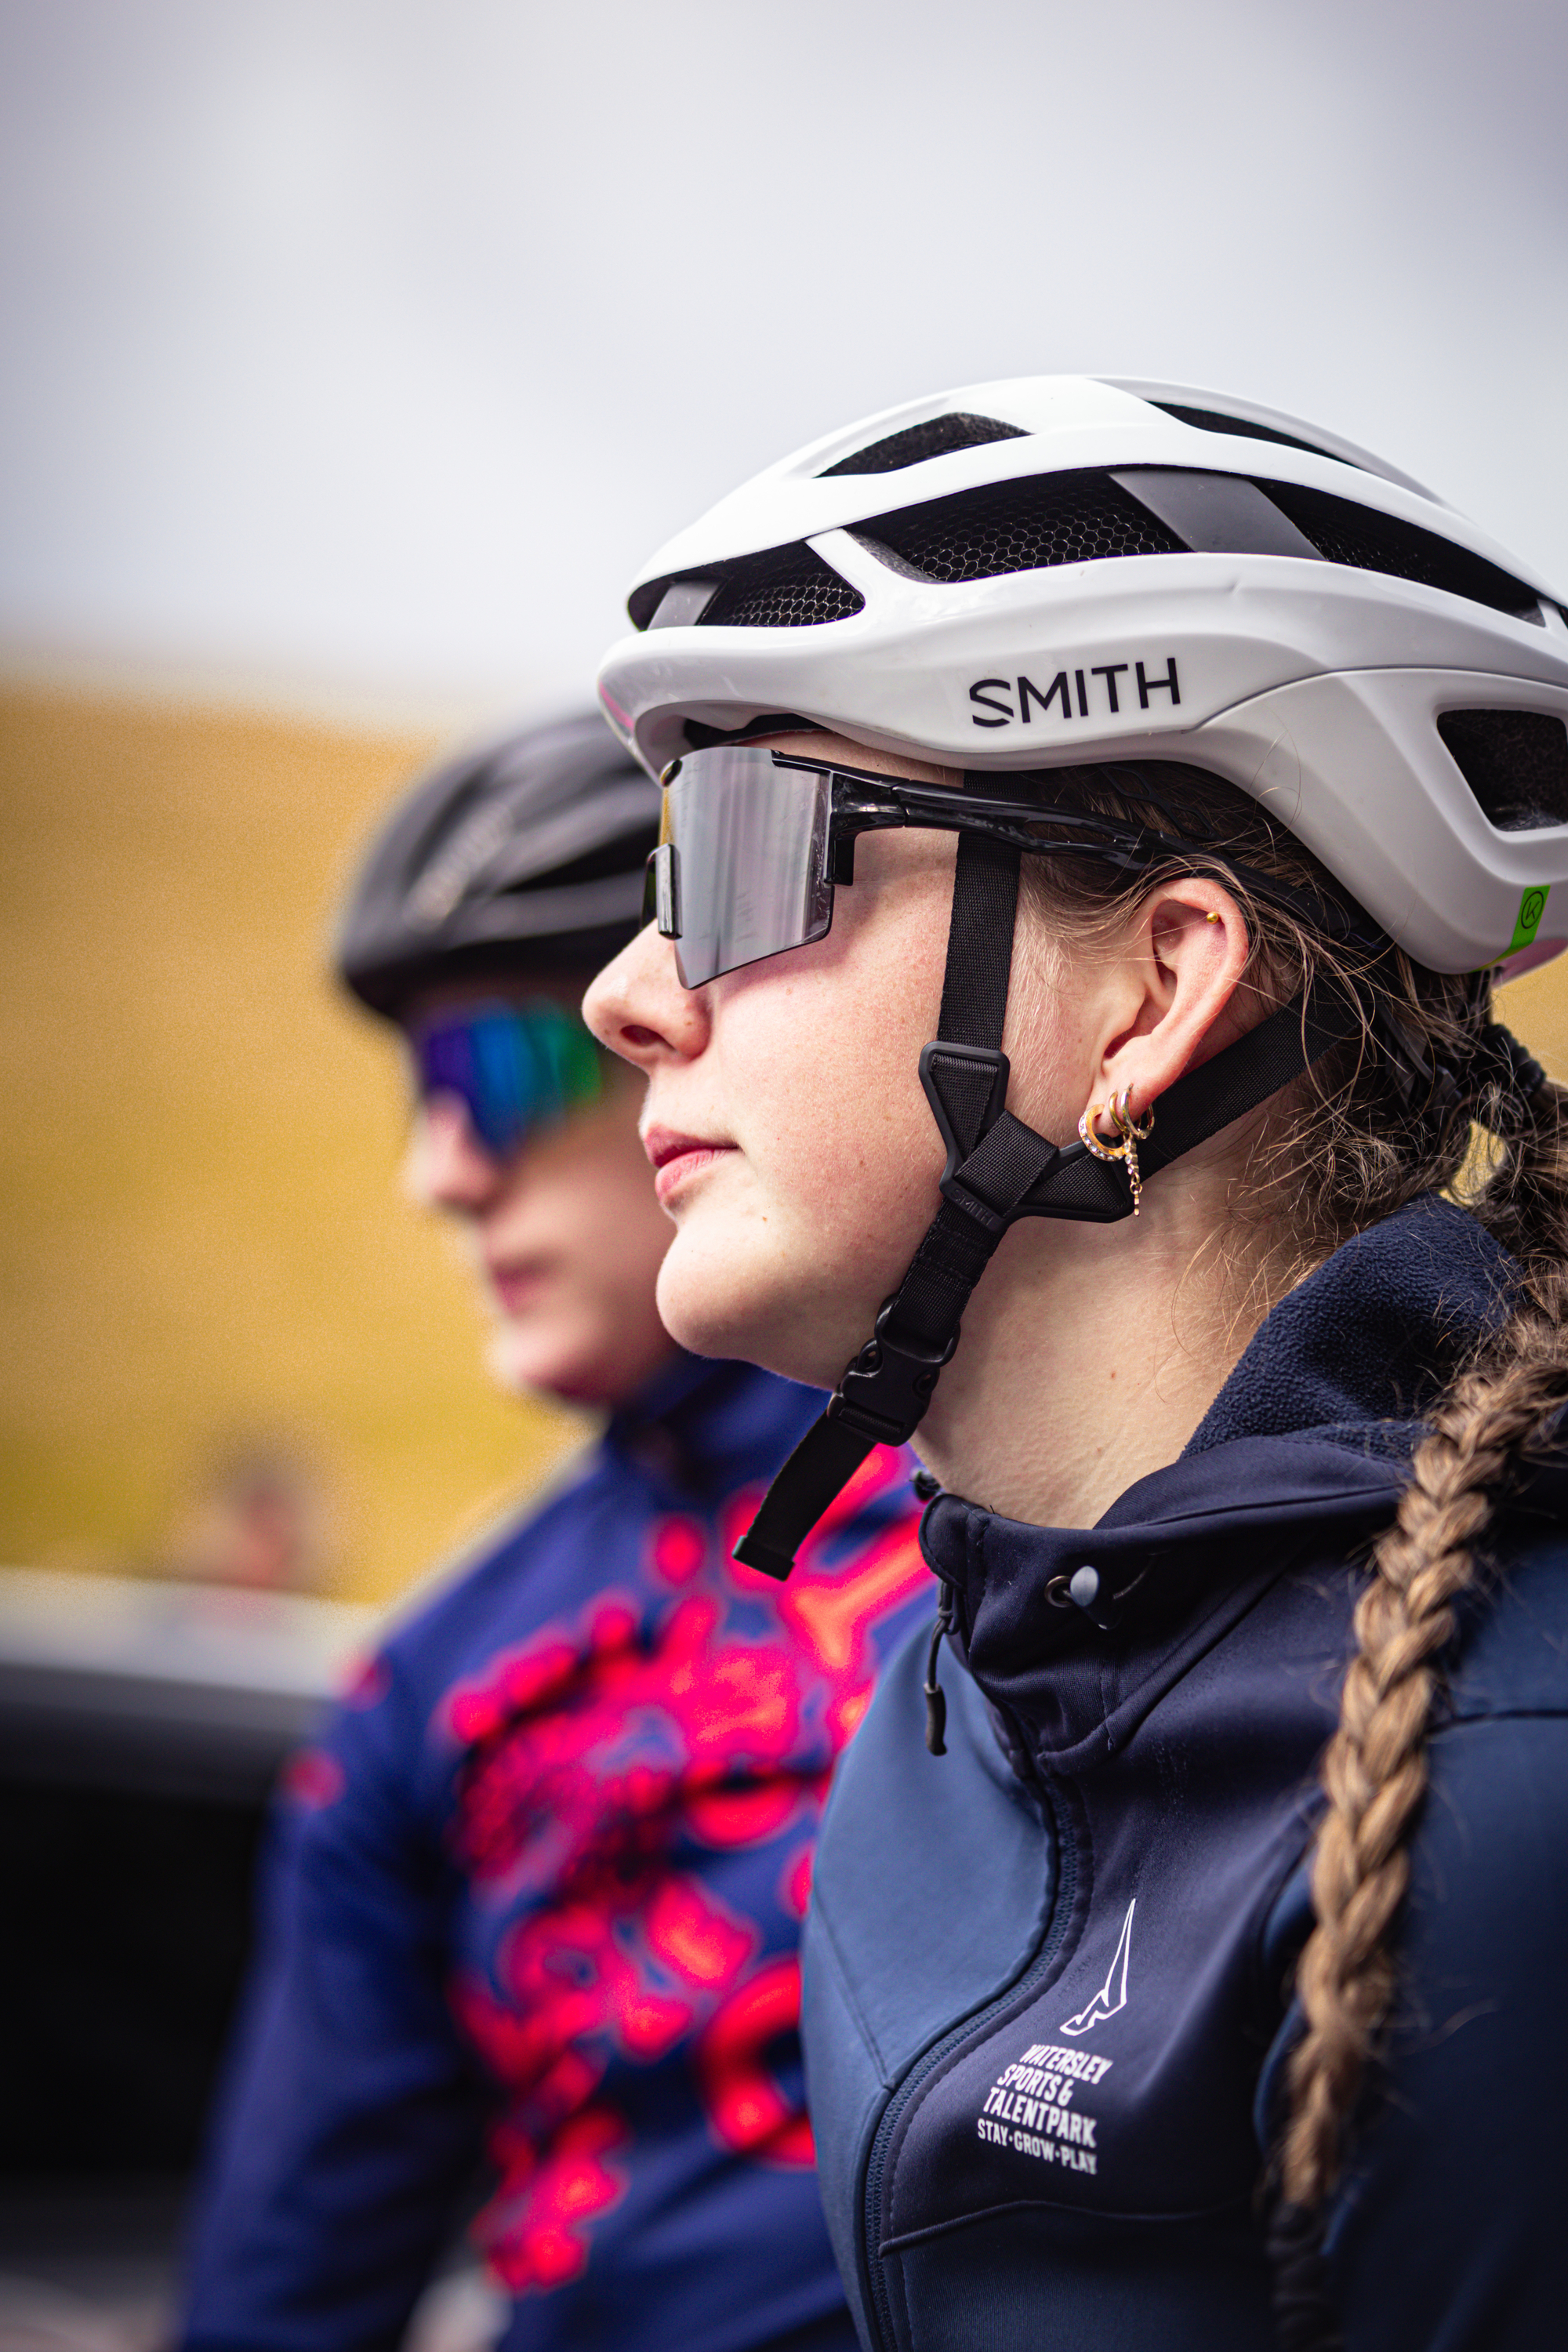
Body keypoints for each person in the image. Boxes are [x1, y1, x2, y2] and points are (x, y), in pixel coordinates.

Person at [583, 380, 1568, 2351]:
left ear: (1155, 989)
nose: (624, 994)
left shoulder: (1517, 1805)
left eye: (755, 850)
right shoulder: (949, 1695)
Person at [179, 712, 929, 2352]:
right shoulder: (431, 1687)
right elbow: (288, 2281)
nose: (439, 1173)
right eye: (415, 1094)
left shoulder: (1057, 1521)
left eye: (493, 1074)